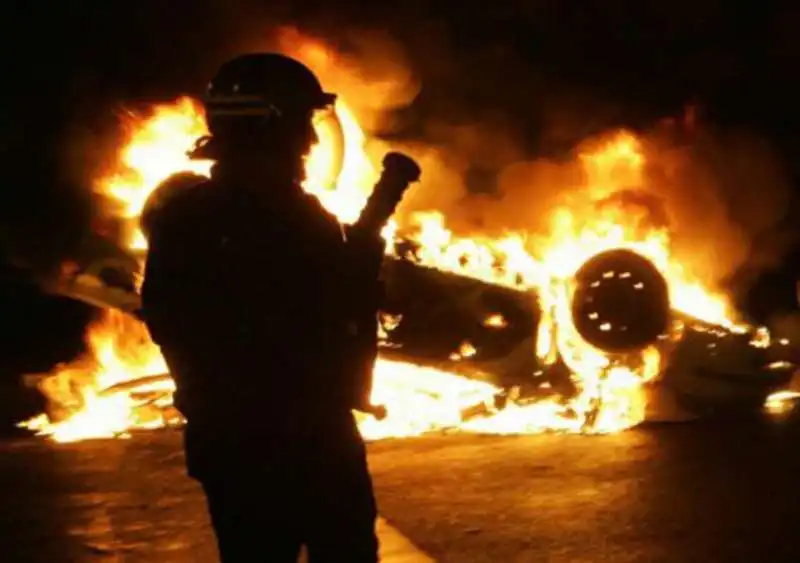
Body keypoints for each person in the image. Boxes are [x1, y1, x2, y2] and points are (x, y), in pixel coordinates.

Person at [139, 53, 381, 563]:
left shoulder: (186, 218)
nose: (311, 141)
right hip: (304, 437)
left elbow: (167, 320)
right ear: (274, 123)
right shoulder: (289, 221)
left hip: (234, 440)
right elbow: (325, 318)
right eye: (302, 123)